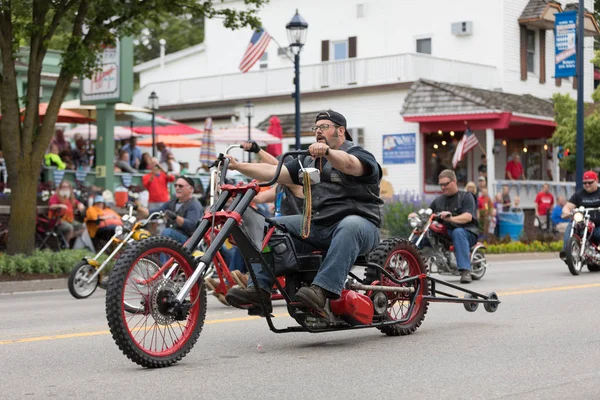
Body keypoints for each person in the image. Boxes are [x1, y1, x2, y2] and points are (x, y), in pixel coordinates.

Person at [224, 110, 383, 314]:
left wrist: (327, 152)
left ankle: (322, 290)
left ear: (341, 130)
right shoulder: (309, 162)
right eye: (316, 128)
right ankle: (259, 289)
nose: (318, 131)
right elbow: (275, 172)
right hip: (318, 226)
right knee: (268, 227)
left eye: (324, 127)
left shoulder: (359, 154)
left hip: (362, 227)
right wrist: (238, 166)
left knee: (349, 224)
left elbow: (349, 164)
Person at [411, 169, 478, 283]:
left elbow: (468, 217)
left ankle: (465, 271)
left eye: (445, 184)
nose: (443, 187)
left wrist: (451, 219)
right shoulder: (439, 200)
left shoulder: (466, 196)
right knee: (426, 235)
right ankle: (409, 267)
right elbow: (428, 213)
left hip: (467, 231)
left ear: (454, 181)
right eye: (441, 185)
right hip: (447, 233)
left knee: (458, 232)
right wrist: (415, 215)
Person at [137, 176, 203, 244]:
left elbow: (191, 226)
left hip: (188, 241)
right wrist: (136, 208)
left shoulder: (194, 204)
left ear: (191, 189)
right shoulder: (172, 203)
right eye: (175, 185)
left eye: (180, 186)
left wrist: (175, 217)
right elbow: (152, 213)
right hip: (173, 237)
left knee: (167, 232)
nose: (177, 188)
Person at [559, 171, 600, 262]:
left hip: (597, 224)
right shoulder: (579, 194)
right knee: (570, 226)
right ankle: (566, 251)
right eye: (585, 183)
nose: (587, 185)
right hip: (583, 222)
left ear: (597, 181)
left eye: (590, 182)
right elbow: (568, 206)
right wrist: (566, 212)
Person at [48, 180, 86, 244]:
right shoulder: (55, 196)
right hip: (58, 220)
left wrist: (80, 204)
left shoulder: (70, 198)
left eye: (67, 187)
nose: (65, 188)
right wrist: (59, 205)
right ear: (60, 188)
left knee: (82, 227)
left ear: (69, 188)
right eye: (63, 187)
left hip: (69, 219)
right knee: (69, 228)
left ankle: (64, 241)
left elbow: (77, 203)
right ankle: (66, 246)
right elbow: (51, 206)